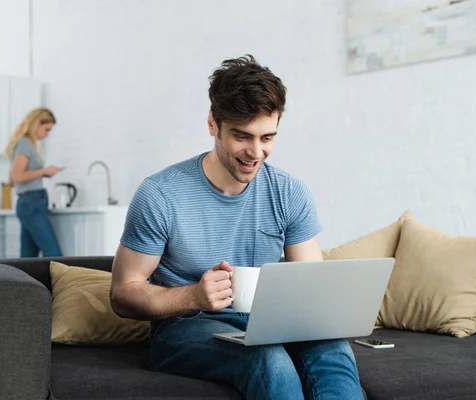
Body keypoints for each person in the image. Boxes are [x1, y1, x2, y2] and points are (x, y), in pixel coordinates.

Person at [110, 55, 365, 399]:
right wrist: (194, 295)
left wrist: (339, 311)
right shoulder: (160, 195)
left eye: (267, 138)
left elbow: (310, 288)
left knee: (333, 351)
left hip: (268, 323)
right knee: (267, 359)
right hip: (186, 328)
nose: (255, 152)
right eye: (242, 136)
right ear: (213, 124)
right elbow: (123, 294)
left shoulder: (289, 193)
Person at [4, 107, 63, 258]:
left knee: (28, 257)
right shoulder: (24, 143)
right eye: (47, 129)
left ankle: (26, 282)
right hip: (32, 202)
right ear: (36, 124)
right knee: (54, 253)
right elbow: (17, 177)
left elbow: (11, 178)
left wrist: (40, 174)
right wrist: (43, 171)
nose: (47, 134)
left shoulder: (26, 144)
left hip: (30, 202)